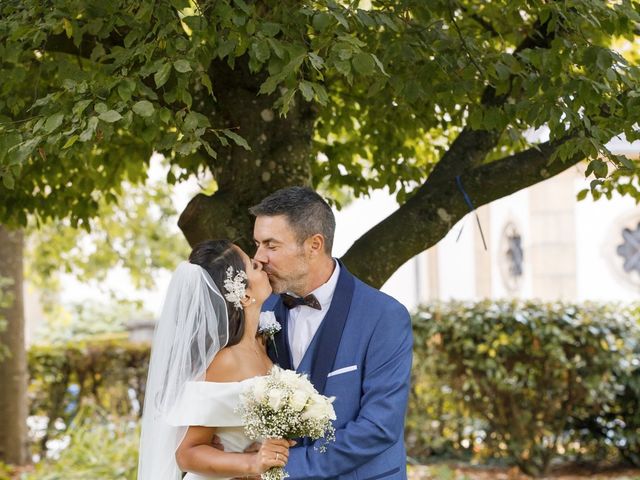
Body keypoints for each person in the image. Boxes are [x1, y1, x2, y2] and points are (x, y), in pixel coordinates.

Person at [250, 186, 414, 480]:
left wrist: (288, 466)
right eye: (258, 244)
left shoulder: (385, 316)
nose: (259, 257)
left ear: (314, 245)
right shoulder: (260, 310)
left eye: (271, 245)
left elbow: (379, 427)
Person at [137, 240, 294, 480]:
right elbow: (187, 453)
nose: (261, 263)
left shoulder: (263, 342)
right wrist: (252, 462)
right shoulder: (225, 361)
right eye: (253, 265)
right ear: (244, 294)